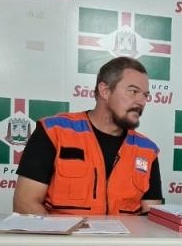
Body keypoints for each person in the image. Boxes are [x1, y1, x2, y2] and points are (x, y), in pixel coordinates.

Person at [13, 57, 162, 215]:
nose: (141, 101)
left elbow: (151, 216)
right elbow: (25, 204)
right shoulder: (54, 132)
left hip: (125, 233)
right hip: (64, 232)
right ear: (105, 91)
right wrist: (70, 233)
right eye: (133, 92)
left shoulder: (147, 150)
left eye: (145, 95)